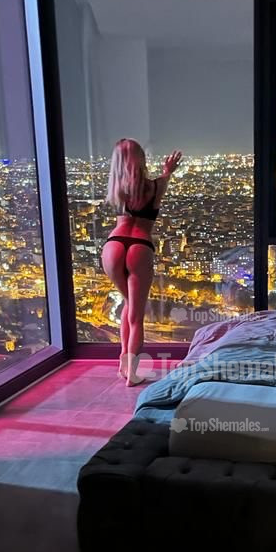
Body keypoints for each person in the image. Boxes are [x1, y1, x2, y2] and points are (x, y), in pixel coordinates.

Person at [101, 139, 182, 385]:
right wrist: (168, 171)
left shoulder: (116, 188)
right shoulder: (155, 187)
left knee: (127, 305)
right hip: (140, 246)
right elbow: (164, 179)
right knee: (136, 316)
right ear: (141, 158)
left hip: (113, 246)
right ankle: (132, 373)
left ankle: (122, 364)